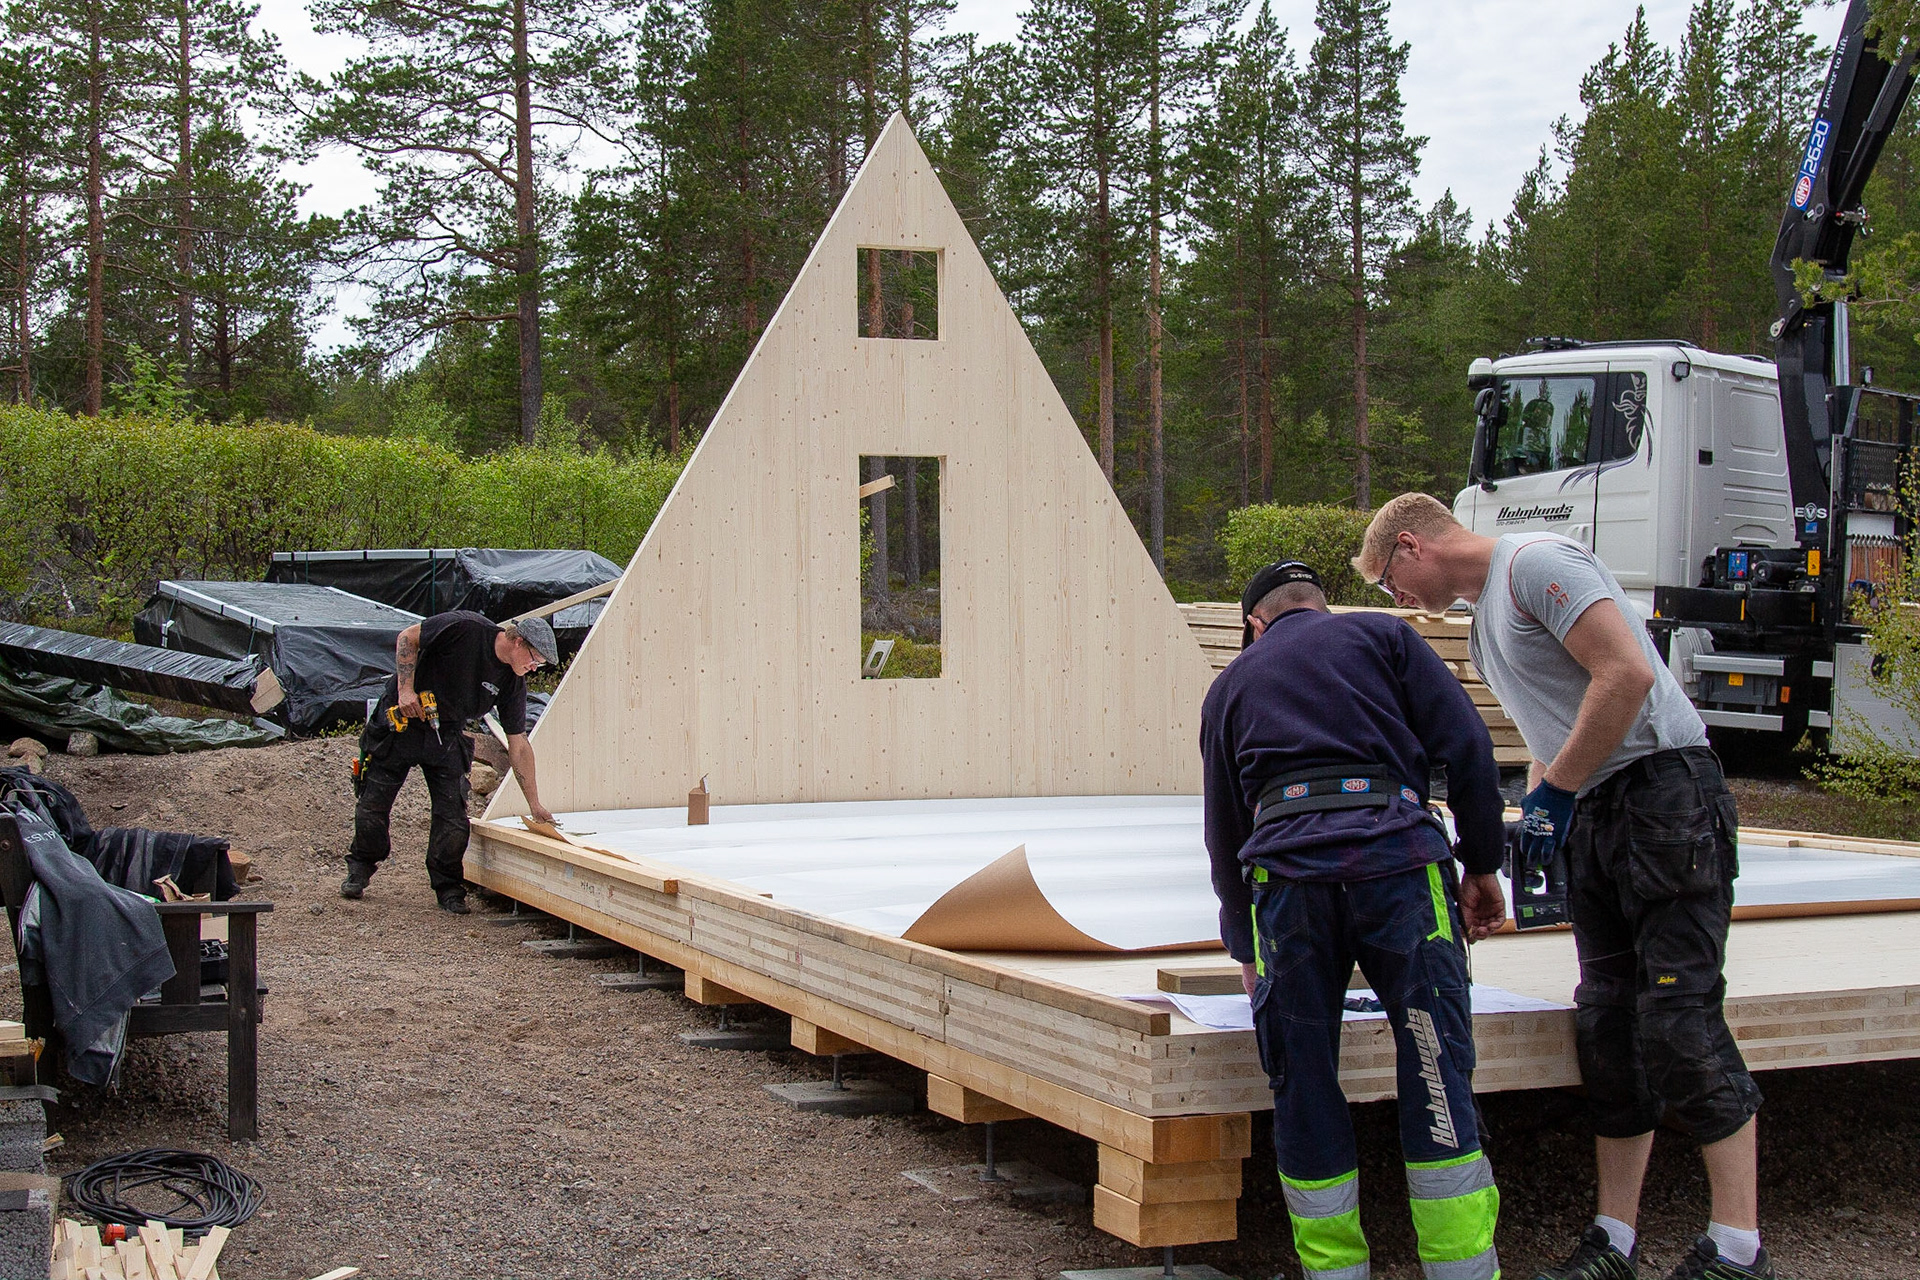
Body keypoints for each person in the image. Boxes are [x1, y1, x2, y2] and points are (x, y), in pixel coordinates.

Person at [1353, 493, 1767, 1280]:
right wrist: (1539, 815)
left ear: (1412, 544)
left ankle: (1740, 1248)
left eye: (1389, 582)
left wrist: (1555, 795)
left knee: (1680, 1019)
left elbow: (1628, 674)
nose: (1398, 602)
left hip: (1664, 796)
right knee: (1608, 1027)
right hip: (1604, 812)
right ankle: (1614, 1240)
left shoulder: (1534, 565)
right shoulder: (1483, 628)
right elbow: (1557, 727)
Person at [1201, 559, 1509, 1280]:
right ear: (1322, 606)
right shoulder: (1385, 639)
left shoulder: (1231, 686)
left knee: (1303, 1080)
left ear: (1256, 625)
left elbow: (1222, 835)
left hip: (1290, 882)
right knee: (1435, 1063)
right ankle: (1461, 1271)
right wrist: (1484, 864)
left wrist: (1246, 944)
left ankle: (1335, 1273)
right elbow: (1468, 749)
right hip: (1399, 866)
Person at [341, 611, 558, 914]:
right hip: (400, 722)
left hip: (446, 733)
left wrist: (534, 804)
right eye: (535, 659)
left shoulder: (511, 682)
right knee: (373, 804)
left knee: (453, 816)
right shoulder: (466, 629)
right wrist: (405, 690)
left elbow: (518, 744)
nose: (534, 668)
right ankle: (360, 867)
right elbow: (408, 637)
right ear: (518, 642)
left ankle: (448, 887)